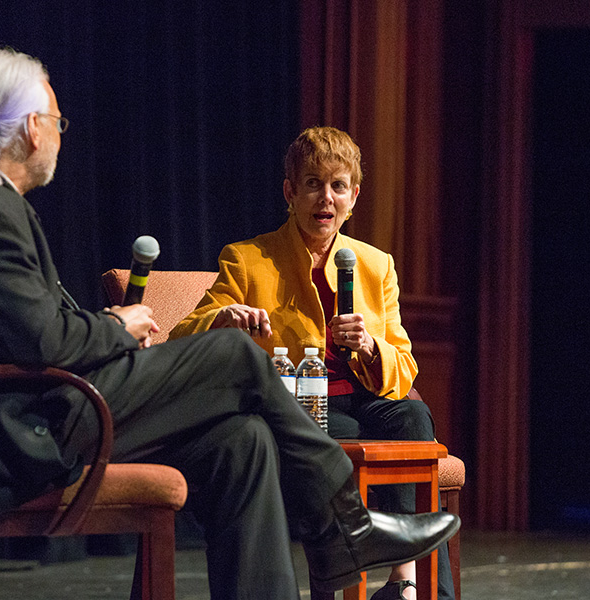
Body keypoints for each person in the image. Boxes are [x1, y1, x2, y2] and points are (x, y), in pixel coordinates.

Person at [0, 48, 459, 600]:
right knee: (234, 354)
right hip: (11, 428)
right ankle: (343, 525)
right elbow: (41, 341)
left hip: (31, 405)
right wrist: (118, 327)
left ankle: (333, 538)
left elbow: (26, 325)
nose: (58, 134)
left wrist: (96, 323)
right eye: (57, 120)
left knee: (242, 441)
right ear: (31, 127)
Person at [169, 126, 455, 600]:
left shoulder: (375, 264)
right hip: (302, 406)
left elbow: (404, 367)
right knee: (330, 431)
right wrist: (223, 319)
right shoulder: (247, 259)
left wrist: (368, 346)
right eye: (312, 183)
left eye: (338, 185)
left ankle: (408, 585)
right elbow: (183, 332)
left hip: (366, 397)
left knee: (412, 415)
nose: (326, 197)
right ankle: (347, 566)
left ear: (354, 196)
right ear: (290, 191)